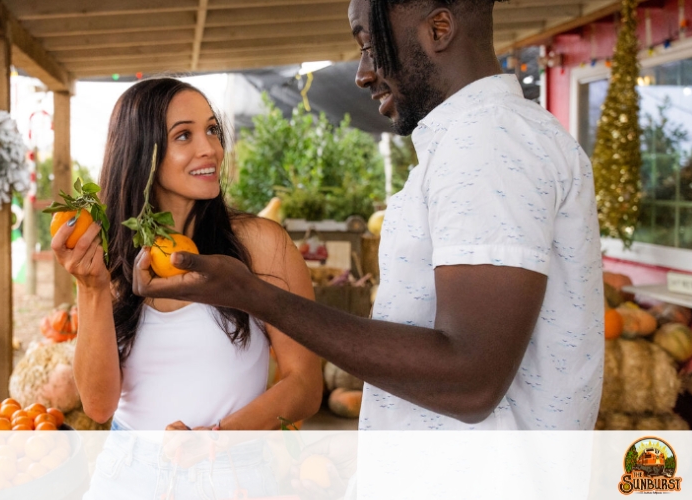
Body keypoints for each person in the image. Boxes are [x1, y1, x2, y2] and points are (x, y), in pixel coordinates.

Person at [133, 0, 603, 432]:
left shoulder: (488, 142)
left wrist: (254, 295)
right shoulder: (473, 142)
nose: (361, 73)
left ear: (438, 29)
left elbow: (470, 380)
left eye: (369, 46)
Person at [54, 78, 321, 499]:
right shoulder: (109, 256)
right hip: (127, 474)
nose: (210, 149)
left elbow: (305, 383)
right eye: (184, 135)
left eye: (212, 130)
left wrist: (215, 438)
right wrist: (90, 289)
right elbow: (99, 406)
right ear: (143, 152)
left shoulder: (261, 246)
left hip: (231, 472)